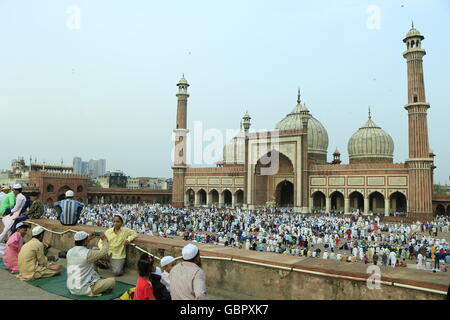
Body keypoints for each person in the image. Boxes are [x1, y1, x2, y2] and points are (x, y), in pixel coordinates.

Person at [66, 231, 115, 296]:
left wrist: (88, 239)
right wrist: (104, 239)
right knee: (112, 281)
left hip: (71, 287)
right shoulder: (88, 254)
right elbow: (104, 251)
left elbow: (82, 249)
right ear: (85, 241)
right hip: (83, 289)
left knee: (94, 273)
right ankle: (98, 288)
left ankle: (99, 284)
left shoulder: (70, 251)